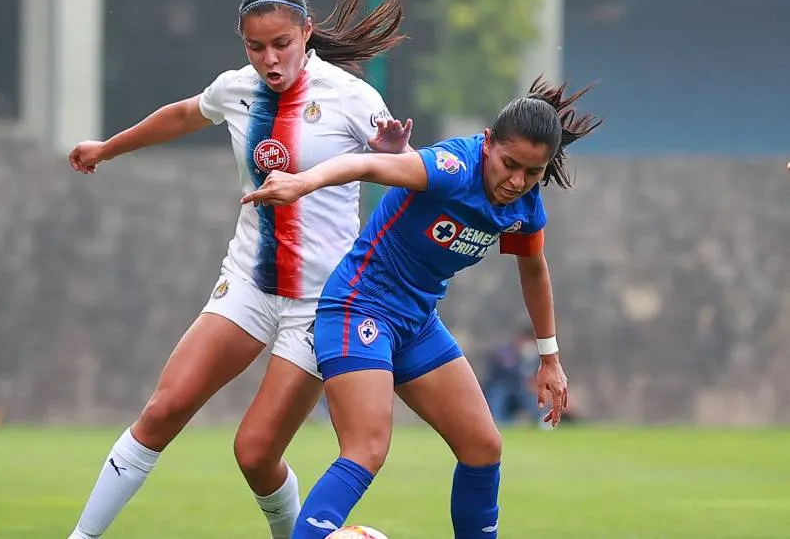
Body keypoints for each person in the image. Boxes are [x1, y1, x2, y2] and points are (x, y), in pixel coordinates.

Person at [64, 0, 408, 539]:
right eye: (256, 47)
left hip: (319, 304)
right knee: (162, 411)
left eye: (281, 43)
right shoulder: (235, 90)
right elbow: (181, 115)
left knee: (253, 453)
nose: (269, 59)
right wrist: (107, 147)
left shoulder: (353, 97)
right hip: (247, 283)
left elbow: (407, 175)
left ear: (306, 34)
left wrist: (394, 155)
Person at [242, 77, 603, 538]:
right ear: (488, 143)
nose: (517, 181)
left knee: (482, 446)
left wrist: (550, 358)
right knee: (366, 448)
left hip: (415, 322)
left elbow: (533, 270)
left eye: (532, 172)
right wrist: (301, 183)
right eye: (510, 164)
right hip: (359, 307)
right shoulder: (451, 167)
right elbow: (368, 165)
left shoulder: (525, 207)